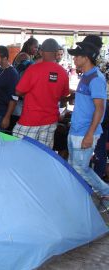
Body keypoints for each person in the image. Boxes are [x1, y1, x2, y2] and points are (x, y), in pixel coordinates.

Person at [67, 41, 109, 199]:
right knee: (74, 166)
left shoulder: (96, 78)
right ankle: (77, 197)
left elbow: (100, 108)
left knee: (80, 168)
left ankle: (105, 191)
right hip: (77, 130)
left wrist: (90, 134)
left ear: (87, 57)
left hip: (85, 132)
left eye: (77, 56)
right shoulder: (86, 75)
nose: (74, 59)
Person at [12, 38, 69, 148]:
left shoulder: (33, 69)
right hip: (50, 121)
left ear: (41, 52)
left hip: (30, 120)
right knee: (43, 155)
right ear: (57, 53)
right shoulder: (63, 72)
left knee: (21, 154)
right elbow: (64, 94)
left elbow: (18, 91)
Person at [0, 45, 19, 131]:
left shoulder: (12, 74)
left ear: (4, 58)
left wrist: (7, 117)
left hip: (0, 114)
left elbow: (14, 98)